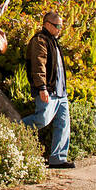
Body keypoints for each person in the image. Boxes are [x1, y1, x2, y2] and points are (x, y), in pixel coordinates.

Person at [22, 11, 74, 169]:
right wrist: (42, 88)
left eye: (61, 26)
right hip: (49, 91)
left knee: (63, 124)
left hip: (60, 93)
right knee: (42, 119)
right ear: (47, 24)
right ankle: (14, 127)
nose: (60, 29)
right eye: (57, 26)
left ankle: (58, 158)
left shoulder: (54, 42)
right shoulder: (40, 40)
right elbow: (39, 66)